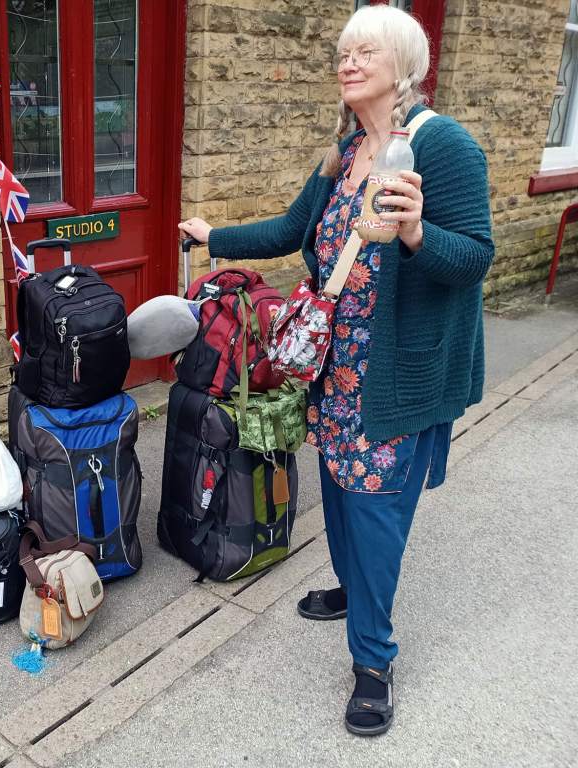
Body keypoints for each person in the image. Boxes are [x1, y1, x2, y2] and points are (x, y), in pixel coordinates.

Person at [178, 5, 493, 737]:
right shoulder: (346, 149)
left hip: (395, 373)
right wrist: (213, 235)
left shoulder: (445, 148)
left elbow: (476, 257)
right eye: (343, 53)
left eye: (365, 52)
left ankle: (374, 663)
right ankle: (355, 590)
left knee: (377, 509)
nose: (347, 63)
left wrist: (415, 232)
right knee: (342, 493)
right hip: (333, 368)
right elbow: (293, 229)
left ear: (404, 64)